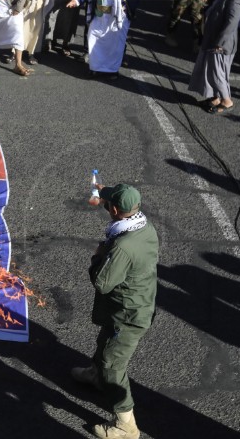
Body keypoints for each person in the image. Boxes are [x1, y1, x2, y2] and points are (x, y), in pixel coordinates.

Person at [72, 184, 158, 439]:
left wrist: (98, 257)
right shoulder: (144, 226)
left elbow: (102, 282)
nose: (106, 206)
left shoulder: (122, 247)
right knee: (105, 340)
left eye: (109, 203)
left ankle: (126, 426)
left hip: (129, 314)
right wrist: (104, 189)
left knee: (113, 363)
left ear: (116, 210)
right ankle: (95, 376)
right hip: (136, 302)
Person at [65, 0, 143, 79]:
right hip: (100, 14)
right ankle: (95, 68)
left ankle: (112, 71)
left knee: (115, 45)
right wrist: (77, 0)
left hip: (118, 17)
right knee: (93, 37)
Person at [189, 0, 240, 114]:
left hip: (222, 44)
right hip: (213, 40)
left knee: (218, 73)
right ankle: (216, 98)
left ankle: (227, 101)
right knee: (212, 70)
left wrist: (220, 43)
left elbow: (231, 23)